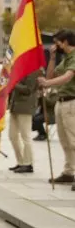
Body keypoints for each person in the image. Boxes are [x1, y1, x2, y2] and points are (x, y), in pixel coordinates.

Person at [39, 30, 75, 189]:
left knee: (73, 140)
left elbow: (68, 76)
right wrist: (52, 58)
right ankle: (69, 172)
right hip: (61, 102)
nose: (56, 46)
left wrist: (47, 84)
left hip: (71, 103)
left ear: (66, 41)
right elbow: (51, 75)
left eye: (57, 42)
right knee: (65, 140)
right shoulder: (65, 58)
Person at [8, 70, 40, 173]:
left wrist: (13, 84)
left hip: (25, 107)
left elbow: (28, 89)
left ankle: (28, 163)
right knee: (12, 135)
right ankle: (21, 161)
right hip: (15, 107)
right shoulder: (20, 68)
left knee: (25, 136)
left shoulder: (33, 71)